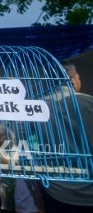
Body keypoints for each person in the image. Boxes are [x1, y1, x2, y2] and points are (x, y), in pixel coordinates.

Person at [38, 61, 93, 212]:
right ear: (72, 78)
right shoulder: (89, 102)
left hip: (55, 190)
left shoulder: (38, 108)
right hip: (89, 190)